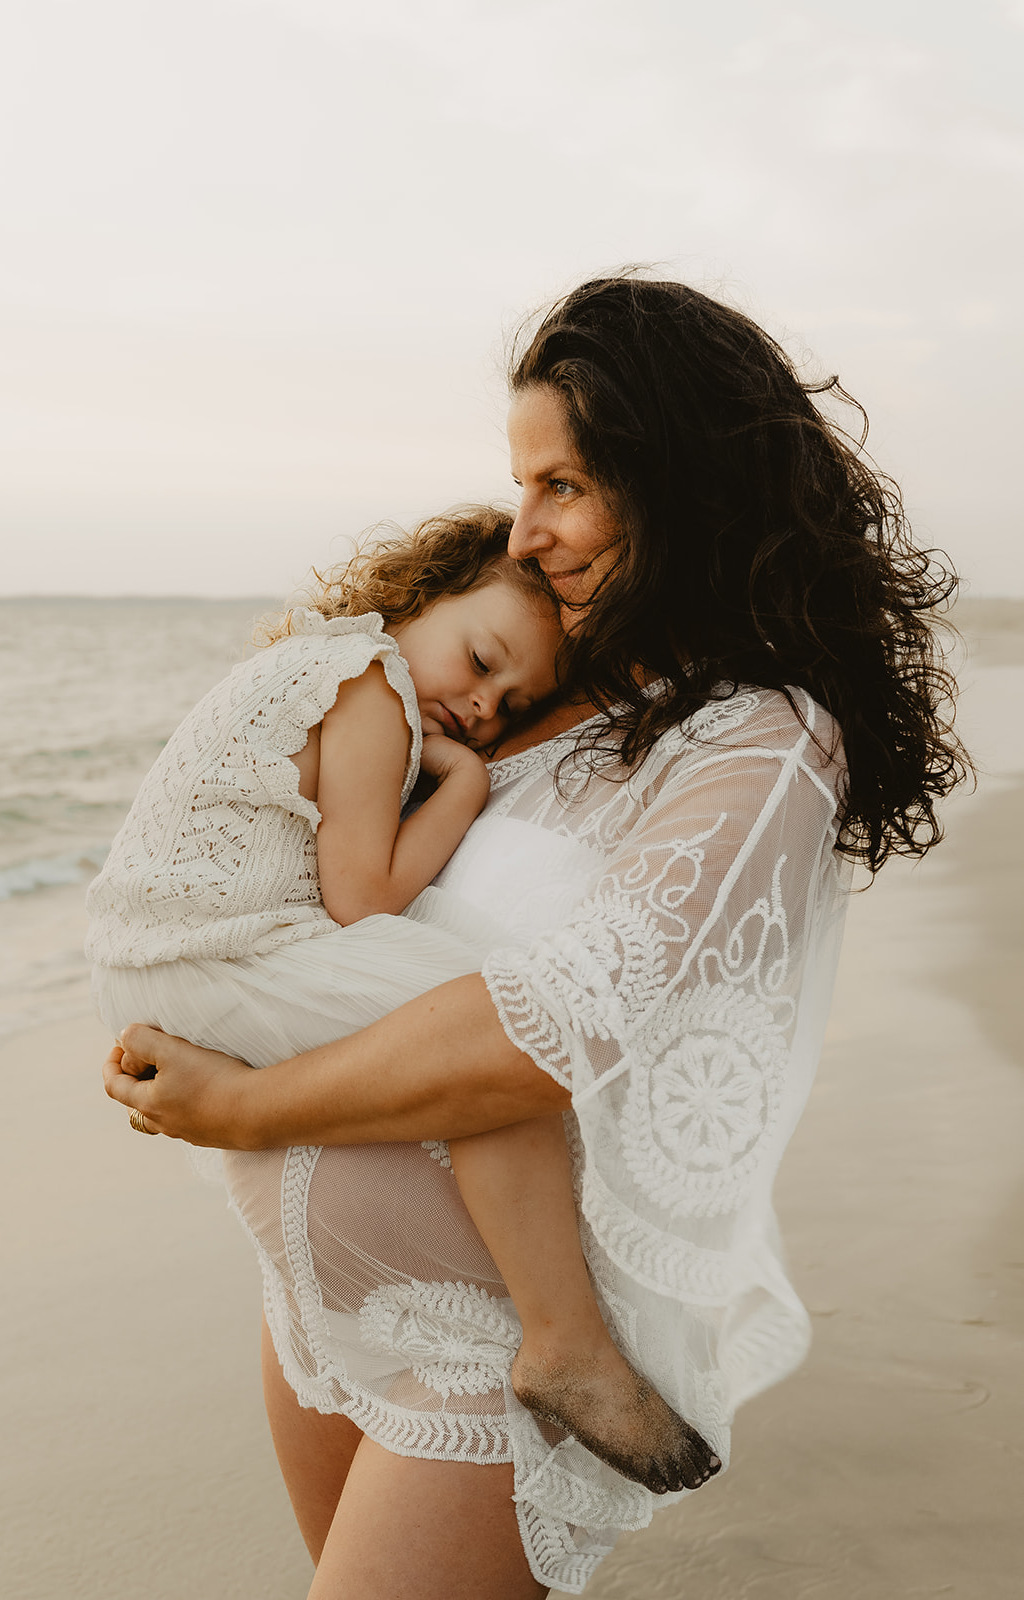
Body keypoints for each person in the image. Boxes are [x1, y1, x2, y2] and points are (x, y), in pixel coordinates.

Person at [104, 276, 968, 1599]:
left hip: (483, 1339)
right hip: (316, 1311)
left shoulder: (757, 743)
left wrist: (241, 1106)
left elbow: (542, 1028)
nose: (527, 531)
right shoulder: (517, 694)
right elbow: (323, 897)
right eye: (521, 486)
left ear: (678, 480)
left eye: (563, 485)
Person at [86, 504, 719, 1503]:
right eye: (479, 659)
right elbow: (363, 898)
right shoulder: (370, 682)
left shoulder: (316, 661)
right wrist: (465, 783)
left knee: (473, 1023)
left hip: (160, 956)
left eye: (508, 702)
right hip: (215, 953)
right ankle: (565, 1342)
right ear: (421, 595)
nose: (480, 702)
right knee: (495, 1028)